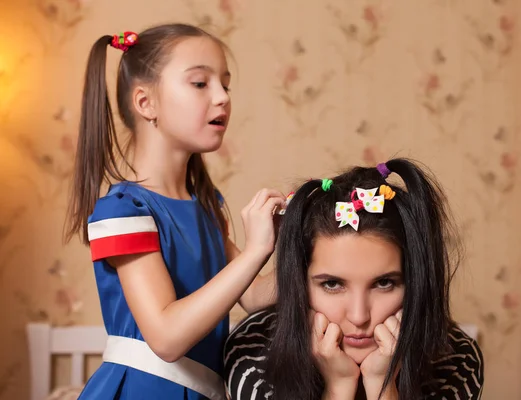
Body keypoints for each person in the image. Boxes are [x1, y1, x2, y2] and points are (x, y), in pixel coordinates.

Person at [64, 23, 283, 400]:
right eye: (200, 83)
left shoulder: (206, 204)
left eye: (225, 84)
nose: (222, 98)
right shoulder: (122, 211)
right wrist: (255, 251)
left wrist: (310, 245)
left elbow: (255, 295)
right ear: (145, 102)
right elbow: (166, 337)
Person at [224, 159, 484, 400]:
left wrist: (384, 385)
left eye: (384, 283)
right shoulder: (252, 352)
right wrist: (339, 387)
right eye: (332, 284)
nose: (359, 317)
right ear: (299, 282)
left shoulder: (457, 360)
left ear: (414, 282)